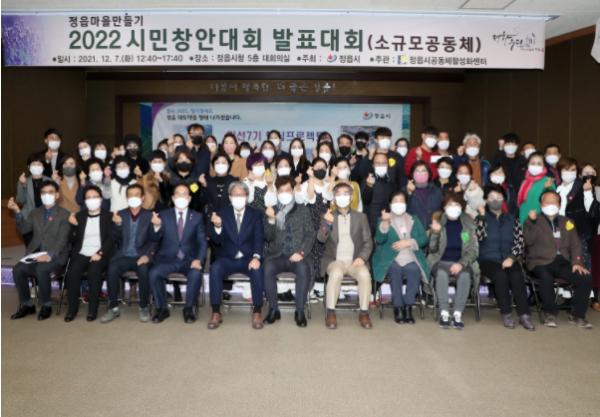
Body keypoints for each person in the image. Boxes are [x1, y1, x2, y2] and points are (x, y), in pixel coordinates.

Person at [524, 190, 593, 329]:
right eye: (547, 202)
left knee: (585, 277)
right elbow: (528, 241)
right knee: (546, 277)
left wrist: (577, 262)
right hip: (540, 262)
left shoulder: (567, 222)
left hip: (562, 262)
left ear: (559, 205)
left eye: (554, 202)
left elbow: (575, 244)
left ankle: (577, 315)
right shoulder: (533, 220)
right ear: (541, 204)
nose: (550, 204)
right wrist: (531, 222)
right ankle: (550, 313)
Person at [7, 181, 71, 320]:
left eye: (50, 192)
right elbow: (24, 229)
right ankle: (27, 304)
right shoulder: (35, 212)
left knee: (41, 269)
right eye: (43, 193)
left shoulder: (64, 214)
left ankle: (46, 305)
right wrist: (17, 211)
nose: (46, 195)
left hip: (57, 255)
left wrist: (50, 255)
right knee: (18, 269)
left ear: (57, 195)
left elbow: (63, 240)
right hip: (35, 254)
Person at [475, 185, 535, 330]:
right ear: (486, 200)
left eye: (499, 197)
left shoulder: (512, 219)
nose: (495, 200)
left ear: (504, 199)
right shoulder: (480, 218)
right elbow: (478, 238)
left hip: (509, 257)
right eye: (491, 197)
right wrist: (482, 217)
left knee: (517, 276)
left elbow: (520, 241)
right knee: (500, 276)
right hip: (488, 259)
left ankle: (524, 315)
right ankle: (506, 313)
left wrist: (512, 257)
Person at [207, 181, 265, 330]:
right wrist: (218, 226)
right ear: (230, 197)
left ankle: (257, 311)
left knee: (257, 269)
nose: (238, 197)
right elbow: (216, 240)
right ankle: (215, 311)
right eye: (235, 195)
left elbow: (259, 238)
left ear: (247, 196)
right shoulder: (222, 213)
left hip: (248, 258)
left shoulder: (255, 214)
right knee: (215, 268)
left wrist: (256, 257)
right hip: (227, 257)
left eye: (241, 194)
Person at [317, 183, 373, 329]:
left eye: (345, 193)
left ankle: (364, 312)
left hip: (355, 261)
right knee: (335, 273)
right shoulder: (328, 216)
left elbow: (368, 242)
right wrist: (327, 223)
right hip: (335, 261)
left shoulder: (361, 217)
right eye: (339, 194)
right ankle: (330, 312)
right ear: (334, 198)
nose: (342, 197)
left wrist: (362, 257)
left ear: (351, 197)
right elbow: (320, 239)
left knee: (365, 275)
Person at [148, 184, 207, 324]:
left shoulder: (197, 217)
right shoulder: (163, 215)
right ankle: (161, 308)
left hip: (189, 260)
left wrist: (199, 259)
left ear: (189, 198)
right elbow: (154, 238)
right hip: (167, 259)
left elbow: (202, 242)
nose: (181, 197)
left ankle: (189, 309)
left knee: (195, 274)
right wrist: (156, 226)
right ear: (173, 198)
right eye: (178, 194)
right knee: (154, 273)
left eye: (184, 194)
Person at [263, 176, 316, 327]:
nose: (284, 193)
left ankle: (299, 311)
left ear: (293, 191)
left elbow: (310, 234)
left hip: (297, 256)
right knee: (267, 268)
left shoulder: (303, 210)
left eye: (287, 190)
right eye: (281, 191)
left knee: (304, 269)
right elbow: (268, 237)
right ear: (277, 193)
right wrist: (271, 220)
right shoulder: (272, 210)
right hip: (277, 255)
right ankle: (273, 309)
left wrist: (301, 252)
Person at [100, 184, 157, 323]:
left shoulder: (150, 215)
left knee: (144, 270)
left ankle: (144, 306)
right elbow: (113, 238)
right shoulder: (120, 214)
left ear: (142, 197)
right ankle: (113, 307)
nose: (133, 197)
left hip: (141, 256)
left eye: (136, 194)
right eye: (130, 195)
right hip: (123, 255)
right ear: (126, 198)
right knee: (112, 269)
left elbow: (155, 241)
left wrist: (148, 256)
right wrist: (118, 225)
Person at [372, 191, 429, 324]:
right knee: (395, 270)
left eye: (401, 201)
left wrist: (410, 242)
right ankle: (397, 307)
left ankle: (408, 306)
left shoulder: (414, 219)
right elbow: (379, 240)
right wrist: (385, 223)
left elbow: (424, 239)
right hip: (390, 258)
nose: (398, 204)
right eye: (395, 201)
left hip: (411, 256)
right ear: (390, 204)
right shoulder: (383, 219)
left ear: (406, 204)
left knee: (414, 270)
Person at [428, 192, 478, 330]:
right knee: (442, 274)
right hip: (440, 261)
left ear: (461, 207)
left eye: (456, 204)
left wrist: (461, 264)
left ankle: (457, 314)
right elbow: (432, 249)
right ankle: (444, 312)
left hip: (461, 262)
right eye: (450, 204)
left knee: (465, 275)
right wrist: (435, 233)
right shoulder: (439, 223)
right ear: (444, 207)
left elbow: (473, 250)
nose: (453, 207)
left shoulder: (467, 225)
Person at [64, 185, 114, 322]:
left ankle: (92, 310)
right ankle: (72, 310)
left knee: (94, 270)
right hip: (82, 252)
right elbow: (72, 239)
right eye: (88, 198)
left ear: (101, 199)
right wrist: (74, 226)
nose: (92, 200)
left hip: (101, 253)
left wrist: (100, 252)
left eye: (95, 197)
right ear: (85, 201)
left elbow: (111, 239)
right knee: (72, 273)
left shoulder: (109, 216)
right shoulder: (79, 216)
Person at [556, 157, 600, 270]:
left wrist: (587, 192)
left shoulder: (582, 186)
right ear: (560, 171)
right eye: (566, 170)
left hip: (579, 234)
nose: (569, 173)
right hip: (560, 233)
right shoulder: (557, 188)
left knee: (582, 267)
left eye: (573, 170)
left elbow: (591, 210)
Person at [362, 152, 398, 233]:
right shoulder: (367, 180)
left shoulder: (392, 182)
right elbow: (365, 201)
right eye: (378, 163)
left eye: (383, 163)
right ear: (373, 165)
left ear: (387, 165)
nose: (381, 165)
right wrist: (369, 186)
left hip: (389, 222)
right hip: (371, 224)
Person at [517, 152, 555, 225]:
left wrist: (546, 189)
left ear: (544, 166)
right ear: (528, 165)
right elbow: (522, 203)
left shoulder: (548, 181)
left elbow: (551, 203)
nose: (536, 166)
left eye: (539, 164)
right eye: (533, 163)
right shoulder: (525, 182)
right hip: (524, 217)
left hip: (540, 221)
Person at [406, 161, 443, 230]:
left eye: (423, 171)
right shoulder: (404, 191)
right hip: (413, 231)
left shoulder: (437, 191)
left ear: (428, 173)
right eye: (417, 171)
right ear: (412, 174)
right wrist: (409, 193)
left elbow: (441, 211)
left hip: (433, 231)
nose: (420, 173)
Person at [200, 152, 236, 217]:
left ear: (228, 165)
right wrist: (204, 186)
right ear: (213, 166)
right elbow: (204, 201)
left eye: (223, 163)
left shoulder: (235, 182)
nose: (220, 165)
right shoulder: (208, 181)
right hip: (211, 218)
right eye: (217, 163)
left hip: (229, 218)